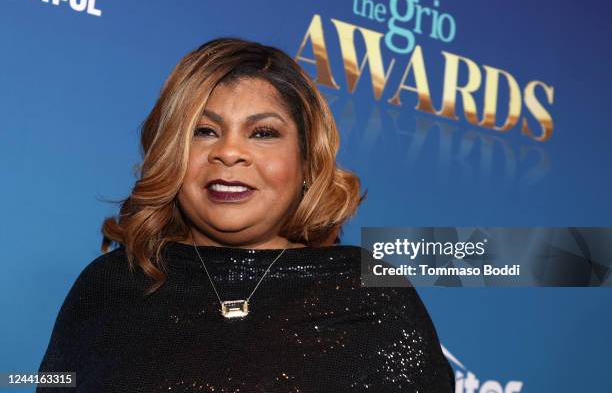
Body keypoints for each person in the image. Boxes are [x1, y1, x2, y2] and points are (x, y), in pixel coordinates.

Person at [37, 37, 455, 392]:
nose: (229, 152)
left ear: (307, 162)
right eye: (205, 131)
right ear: (171, 154)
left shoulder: (371, 294)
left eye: (263, 133)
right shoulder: (110, 286)